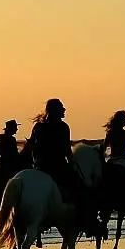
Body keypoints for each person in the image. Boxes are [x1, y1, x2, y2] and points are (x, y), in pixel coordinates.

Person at [29, 98, 105, 237]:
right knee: (83, 190)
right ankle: (88, 223)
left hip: (40, 167)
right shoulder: (63, 127)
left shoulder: (38, 127)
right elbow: (66, 151)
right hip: (57, 167)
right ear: (56, 111)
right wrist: (72, 163)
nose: (64, 110)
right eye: (62, 108)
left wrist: (35, 163)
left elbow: (32, 147)